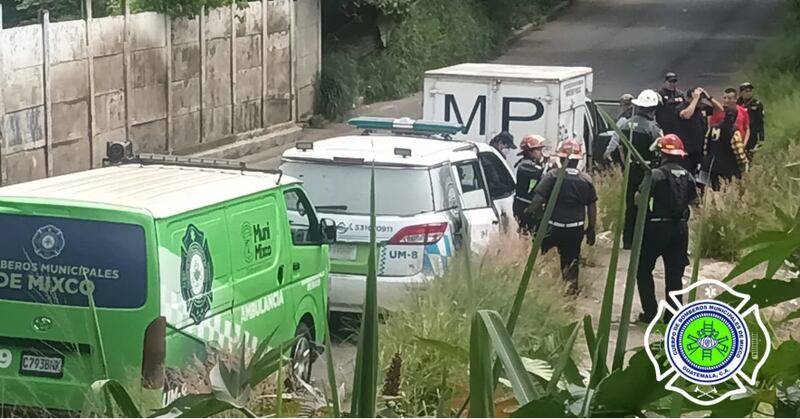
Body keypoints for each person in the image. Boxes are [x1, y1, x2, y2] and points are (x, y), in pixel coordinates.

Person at [636, 134, 698, 323]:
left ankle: (650, 312)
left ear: (661, 154)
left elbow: (639, 200)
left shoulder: (655, 175)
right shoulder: (688, 176)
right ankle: (673, 315)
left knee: (644, 270)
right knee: (674, 274)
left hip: (656, 228)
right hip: (680, 229)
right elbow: (693, 201)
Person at [525, 139, 597, 295]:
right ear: (578, 160)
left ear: (561, 158)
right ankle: (571, 294)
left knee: (539, 257)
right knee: (571, 262)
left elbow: (538, 200)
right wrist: (591, 228)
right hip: (575, 228)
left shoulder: (552, 176)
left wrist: (530, 217)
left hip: (552, 226)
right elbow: (591, 206)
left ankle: (538, 289)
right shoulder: (586, 180)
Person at [622, 89, 663, 249]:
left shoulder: (626, 124)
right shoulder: (653, 128)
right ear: (653, 109)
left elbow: (620, 148)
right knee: (645, 206)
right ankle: (643, 239)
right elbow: (658, 150)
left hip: (630, 168)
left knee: (630, 204)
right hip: (647, 170)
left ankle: (628, 239)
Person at [675, 87, 724, 175]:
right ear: (689, 98)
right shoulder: (681, 107)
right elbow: (686, 115)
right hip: (688, 151)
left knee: (702, 176)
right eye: (698, 98)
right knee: (689, 174)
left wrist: (709, 98)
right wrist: (695, 99)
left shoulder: (702, 107)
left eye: (700, 99)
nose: (699, 101)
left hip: (702, 149)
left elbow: (720, 109)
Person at [704, 107, 748, 191]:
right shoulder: (734, 131)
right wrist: (744, 164)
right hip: (729, 168)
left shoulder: (713, 128)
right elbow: (739, 153)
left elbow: (706, 146)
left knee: (714, 190)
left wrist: (707, 159)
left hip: (712, 166)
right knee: (727, 191)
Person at [513, 135, 549, 234]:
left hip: (530, 205)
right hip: (524, 206)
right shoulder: (525, 165)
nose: (541, 153)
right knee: (527, 234)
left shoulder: (532, 164)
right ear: (530, 151)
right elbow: (544, 175)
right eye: (538, 150)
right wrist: (550, 164)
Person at [602, 93, 635, 163]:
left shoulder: (623, 119)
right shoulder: (638, 117)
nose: (621, 108)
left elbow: (616, 137)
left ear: (625, 106)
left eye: (621, 105)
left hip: (626, 151)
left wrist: (608, 151)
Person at [737, 82, 765, 152]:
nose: (748, 93)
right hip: (739, 134)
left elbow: (760, 122)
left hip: (752, 133)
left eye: (750, 91)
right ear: (741, 93)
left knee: (750, 153)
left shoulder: (757, 104)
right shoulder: (736, 104)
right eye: (746, 91)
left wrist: (761, 138)